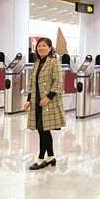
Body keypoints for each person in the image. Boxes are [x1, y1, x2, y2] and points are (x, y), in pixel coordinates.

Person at [23, 38, 65, 170]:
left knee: (43, 130)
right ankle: (51, 157)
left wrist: (49, 97)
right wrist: (28, 100)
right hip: (37, 100)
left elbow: (58, 81)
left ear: (50, 48)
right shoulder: (37, 63)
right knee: (43, 130)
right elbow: (32, 83)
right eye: (39, 46)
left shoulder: (54, 61)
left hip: (48, 101)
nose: (40, 48)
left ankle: (41, 158)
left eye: (44, 46)